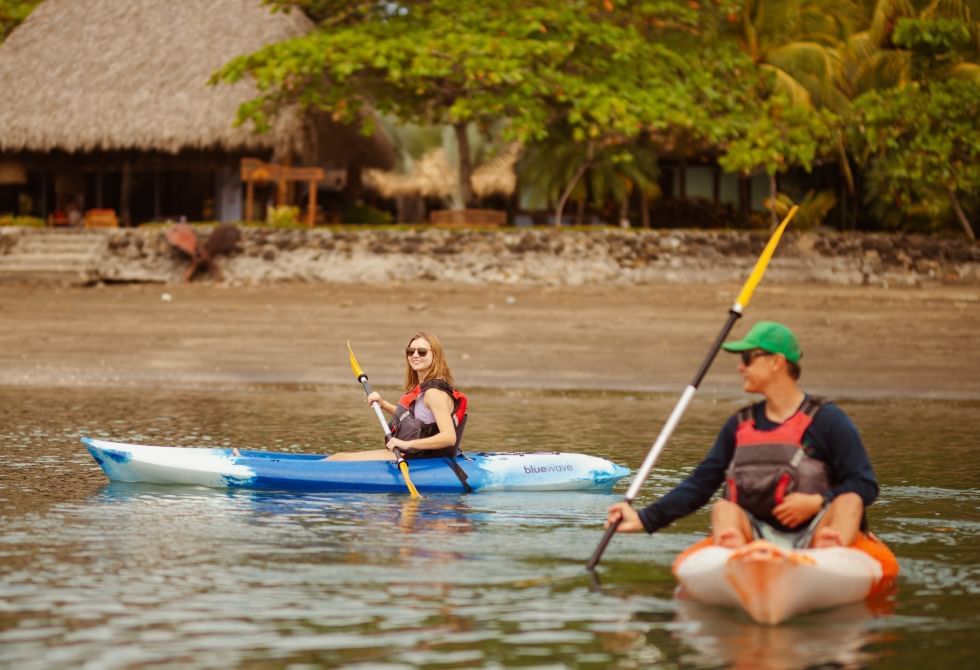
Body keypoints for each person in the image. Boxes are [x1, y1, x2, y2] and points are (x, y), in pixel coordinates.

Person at [606, 321, 878, 550]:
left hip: (817, 531)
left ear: (777, 362)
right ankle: (737, 553)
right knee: (723, 508)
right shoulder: (738, 425)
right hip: (754, 535)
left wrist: (817, 502)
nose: (740, 367)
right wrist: (644, 519)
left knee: (850, 500)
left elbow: (865, 484)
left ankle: (831, 550)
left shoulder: (828, 420)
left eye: (748, 358)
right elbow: (701, 483)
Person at [328, 331, 468, 462]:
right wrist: (383, 404)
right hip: (413, 454)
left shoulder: (434, 394)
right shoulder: (424, 388)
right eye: (410, 351)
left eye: (422, 352)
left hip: (415, 457)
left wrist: (406, 444)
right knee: (337, 457)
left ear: (435, 356)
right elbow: (413, 419)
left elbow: (449, 437)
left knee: (338, 458)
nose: (415, 355)